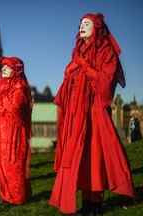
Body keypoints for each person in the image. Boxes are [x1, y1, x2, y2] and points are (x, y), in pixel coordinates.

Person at [49, 13, 135, 215]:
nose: (81, 26)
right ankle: (86, 203)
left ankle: (95, 204)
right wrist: (70, 74)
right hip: (76, 112)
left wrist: (83, 66)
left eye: (86, 23)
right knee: (79, 157)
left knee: (95, 154)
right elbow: (70, 79)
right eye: (80, 23)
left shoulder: (107, 51)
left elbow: (105, 82)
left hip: (94, 111)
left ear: (97, 27)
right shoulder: (77, 51)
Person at [0, 56, 32, 205]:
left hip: (14, 133)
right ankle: (5, 195)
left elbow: (15, 106)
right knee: (1, 165)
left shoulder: (20, 86)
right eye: (3, 67)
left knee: (13, 164)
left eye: (8, 66)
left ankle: (17, 197)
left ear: (16, 69)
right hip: (0, 132)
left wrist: (1, 102)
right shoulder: (0, 85)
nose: (3, 69)